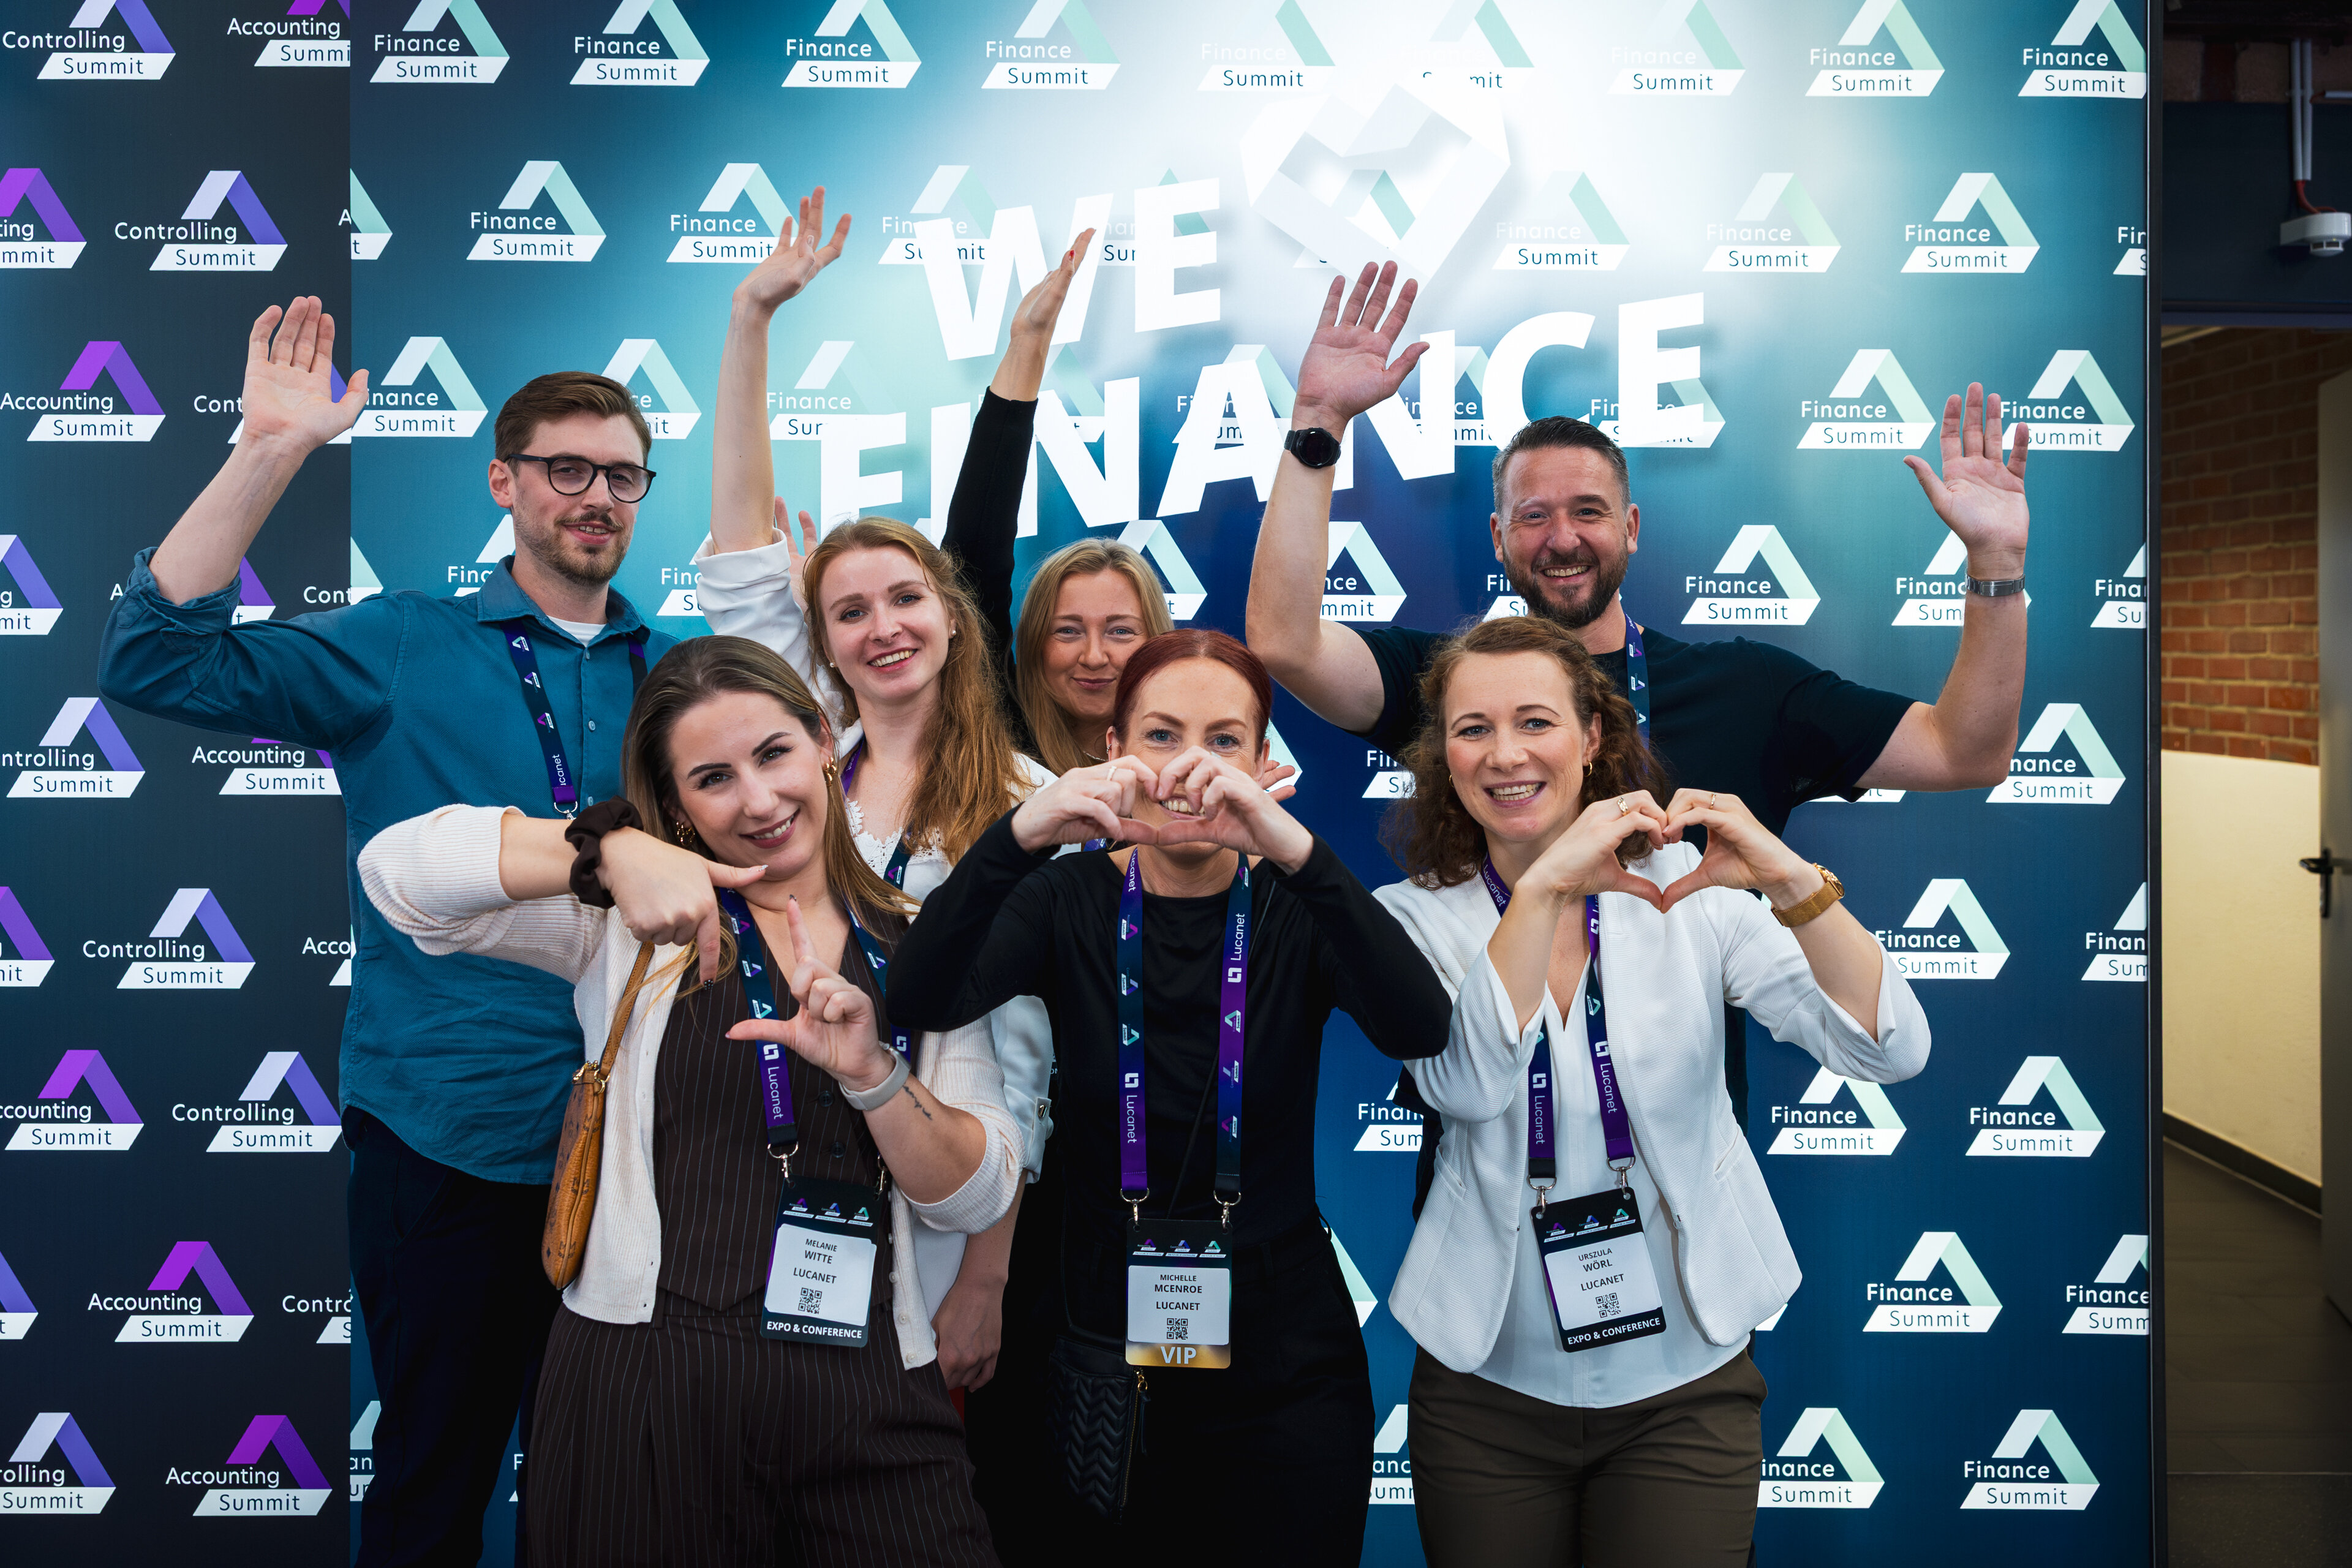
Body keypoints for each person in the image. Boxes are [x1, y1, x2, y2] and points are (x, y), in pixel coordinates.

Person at [96, 295, 674, 1566]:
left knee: (613, 1499)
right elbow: (152, 661)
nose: (597, 497)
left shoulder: (681, 672)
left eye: (623, 475)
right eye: (567, 470)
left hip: (646, 1146)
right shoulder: (407, 641)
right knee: (431, 1489)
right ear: (504, 482)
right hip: (449, 1137)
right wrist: (269, 450)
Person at [1245, 263, 2023, 1188]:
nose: (1562, 538)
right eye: (1533, 517)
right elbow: (1284, 641)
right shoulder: (1453, 684)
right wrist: (1318, 426)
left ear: (1633, 528)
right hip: (1490, 1181)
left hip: (1683, 1189)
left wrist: (1995, 565)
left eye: (1589, 513)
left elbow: (1967, 750)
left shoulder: (1745, 687)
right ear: (1497, 538)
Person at [358, 635, 1020, 1564]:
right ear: (676, 805)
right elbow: (398, 877)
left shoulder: (925, 939)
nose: (759, 800)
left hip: (870, 1392)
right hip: (643, 1391)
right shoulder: (631, 924)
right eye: (713, 779)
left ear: (822, 741)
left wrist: (876, 1076)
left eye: (775, 754)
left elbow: (976, 1195)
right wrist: (606, 850)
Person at [886, 630, 1454, 1564]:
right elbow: (917, 998)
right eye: (1161, 735)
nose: (1191, 766)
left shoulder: (1296, 905)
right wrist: (1020, 835)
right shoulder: (1067, 898)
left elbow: (1420, 1027)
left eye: (1224, 741)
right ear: (1113, 752)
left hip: (1285, 1371)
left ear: (1265, 765)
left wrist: (1296, 853)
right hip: (1097, 1353)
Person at [1371, 616, 1929, 1566]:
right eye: (1472, 729)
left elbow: (1891, 1049)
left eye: (1535, 722)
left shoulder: (1690, 891)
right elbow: (1468, 1084)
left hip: (1686, 1391)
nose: (1504, 754)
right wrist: (1543, 889)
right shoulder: (1409, 917)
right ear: (1443, 755)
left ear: (1592, 738)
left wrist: (1786, 875)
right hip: (1486, 1393)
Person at [692, 187, 1054, 1408]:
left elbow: (1027, 1060)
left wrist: (988, 1274)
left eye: (906, 599)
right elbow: (742, 547)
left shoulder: (1030, 803)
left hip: (935, 1196)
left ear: (949, 615)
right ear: (823, 644)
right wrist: (752, 319)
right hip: (766, 1158)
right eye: (848, 611)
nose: (883, 627)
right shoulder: (800, 753)